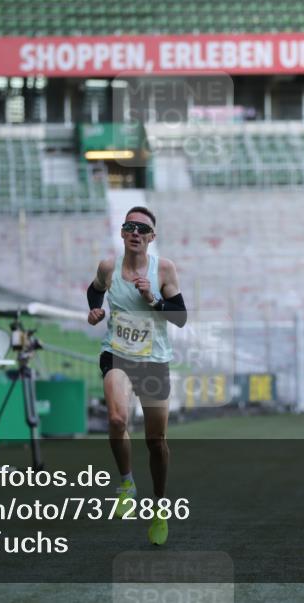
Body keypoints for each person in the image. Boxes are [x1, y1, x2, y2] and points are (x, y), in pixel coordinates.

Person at [87, 206, 187, 546]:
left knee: (155, 442)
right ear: (122, 232)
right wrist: (95, 309)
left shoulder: (165, 269)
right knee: (116, 419)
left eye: (142, 229)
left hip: (154, 360)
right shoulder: (108, 267)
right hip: (117, 353)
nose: (135, 233)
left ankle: (159, 508)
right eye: (129, 226)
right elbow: (94, 289)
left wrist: (153, 299)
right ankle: (126, 483)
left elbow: (180, 317)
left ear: (151, 238)